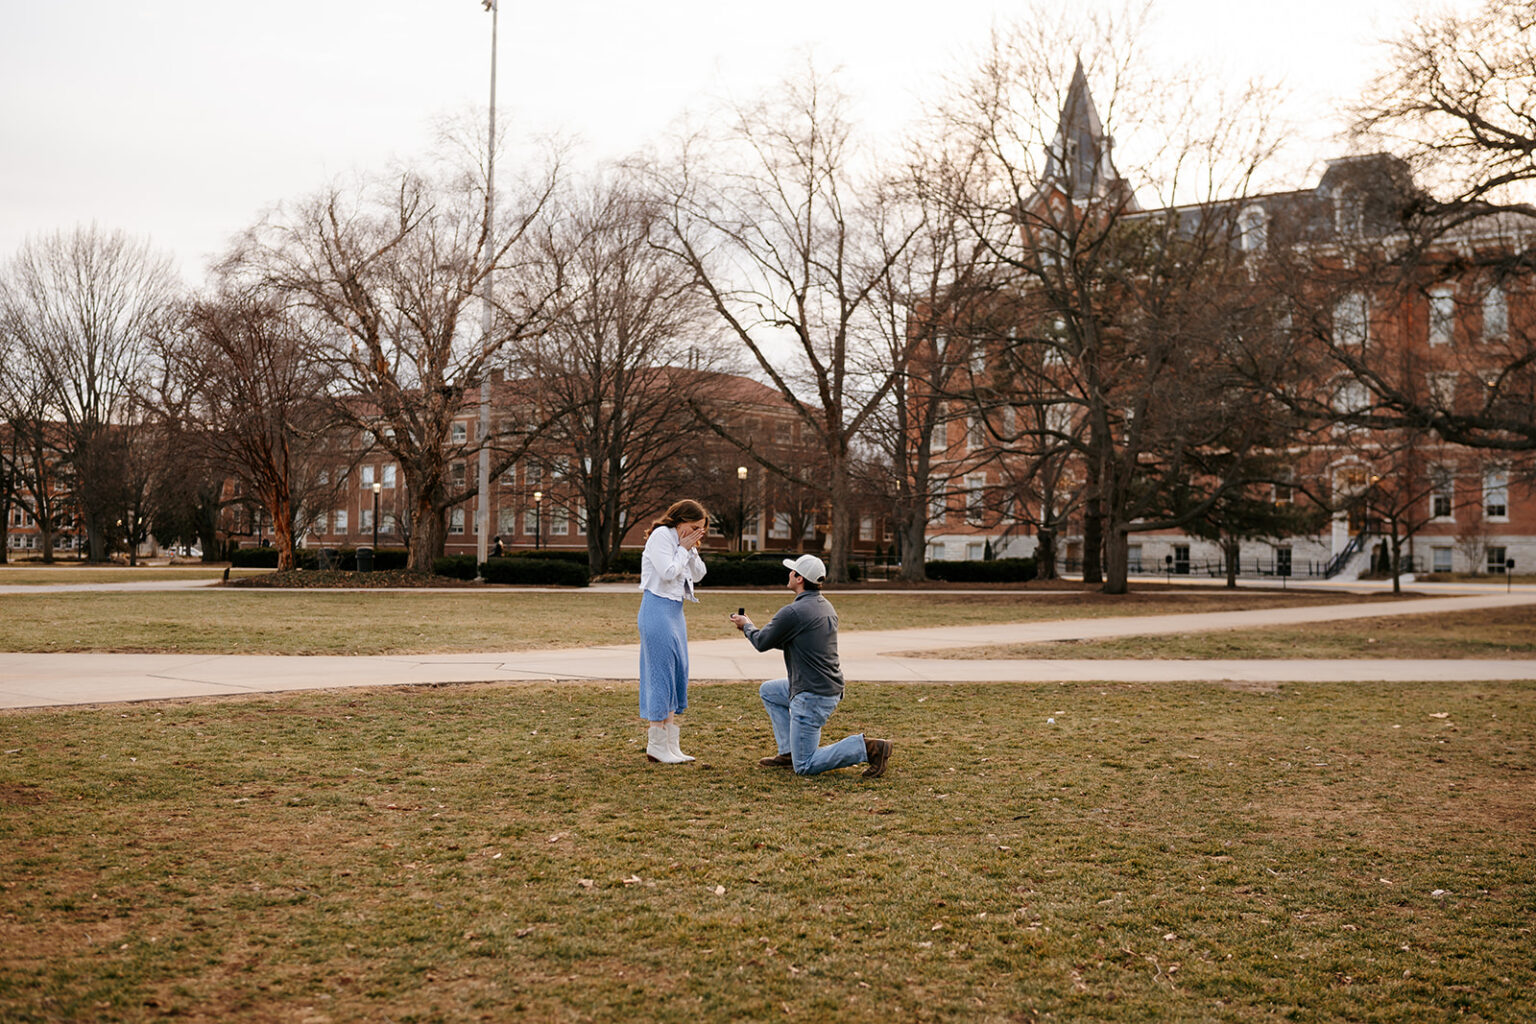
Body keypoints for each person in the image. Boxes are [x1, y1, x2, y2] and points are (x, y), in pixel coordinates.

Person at [728, 554, 892, 778]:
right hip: (826, 688)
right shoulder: (825, 607)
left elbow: (761, 642)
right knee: (769, 691)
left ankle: (869, 748)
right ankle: (788, 752)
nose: (789, 574)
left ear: (799, 578)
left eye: (792, 571)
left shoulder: (794, 612)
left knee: (805, 765)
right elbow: (801, 645)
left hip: (811, 695)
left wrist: (747, 626)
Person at [637, 499, 709, 764]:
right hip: (656, 608)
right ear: (679, 521)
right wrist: (681, 549)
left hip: (675, 611)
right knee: (660, 673)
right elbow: (667, 573)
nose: (695, 533)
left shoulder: (683, 543)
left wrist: (689, 550)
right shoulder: (660, 537)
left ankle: (670, 743)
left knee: (678, 670)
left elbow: (699, 574)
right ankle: (656, 740)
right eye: (693, 527)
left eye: (701, 530)